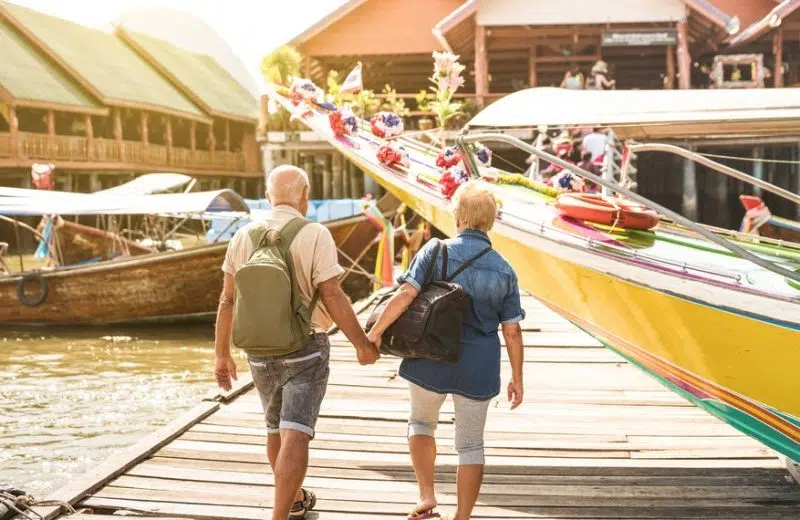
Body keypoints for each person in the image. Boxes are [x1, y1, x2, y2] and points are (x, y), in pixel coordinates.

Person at [214, 165, 380, 520]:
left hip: (258, 351)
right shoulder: (315, 233)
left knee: (275, 429)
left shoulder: (242, 236)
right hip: (305, 348)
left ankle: (293, 500)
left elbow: (227, 300)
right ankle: (279, 516)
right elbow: (333, 295)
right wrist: (362, 344)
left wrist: (221, 354)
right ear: (305, 195)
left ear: (267, 195)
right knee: (297, 433)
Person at [366, 182, 525, 520]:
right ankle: (462, 517)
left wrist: (376, 332)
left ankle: (427, 495)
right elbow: (512, 330)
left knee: (421, 423)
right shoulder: (505, 269)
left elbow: (406, 295)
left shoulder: (435, 250)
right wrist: (517, 377)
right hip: (478, 364)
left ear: (457, 215)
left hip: (429, 356)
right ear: (492, 221)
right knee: (471, 445)